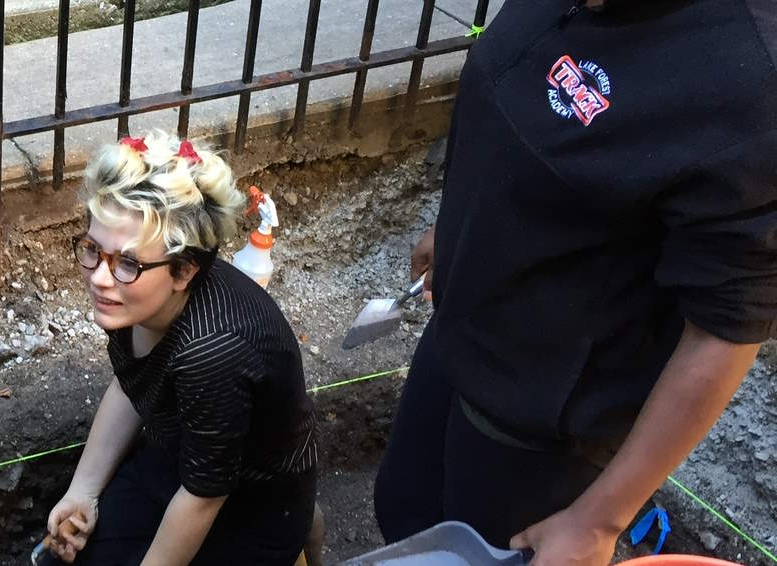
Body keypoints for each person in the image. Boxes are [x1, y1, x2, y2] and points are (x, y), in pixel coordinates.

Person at [372, 1, 777, 564]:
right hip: (461, 327)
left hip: (543, 418)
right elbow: (520, 102)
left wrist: (597, 520)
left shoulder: (751, 85)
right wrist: (457, 223)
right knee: (404, 513)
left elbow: (727, 325)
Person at [42, 132, 319, 565]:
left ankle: (301, 542)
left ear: (184, 270)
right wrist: (83, 491)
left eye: (128, 261)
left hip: (247, 508)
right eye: (93, 250)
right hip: (174, 462)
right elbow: (132, 383)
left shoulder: (212, 352)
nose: (98, 276)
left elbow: (204, 497)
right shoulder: (132, 292)